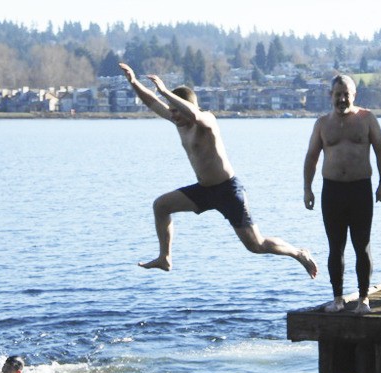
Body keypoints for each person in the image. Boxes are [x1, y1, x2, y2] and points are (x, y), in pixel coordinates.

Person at [119, 63, 317, 278]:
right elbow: (151, 102)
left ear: (188, 107)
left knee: (255, 244)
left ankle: (298, 253)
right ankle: (165, 258)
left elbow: (194, 115)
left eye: (176, 110)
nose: (172, 115)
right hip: (204, 190)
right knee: (161, 206)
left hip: (228, 191)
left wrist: (165, 90)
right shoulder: (180, 122)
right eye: (171, 111)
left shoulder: (206, 120)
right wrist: (133, 82)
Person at [303, 75, 381, 313]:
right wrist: (307, 188)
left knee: (362, 245)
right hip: (332, 190)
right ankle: (338, 298)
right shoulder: (321, 124)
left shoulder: (367, 119)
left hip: (360, 188)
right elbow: (311, 157)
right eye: (337, 94)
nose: (342, 99)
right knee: (335, 247)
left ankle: (363, 298)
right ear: (330, 96)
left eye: (346, 94)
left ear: (354, 95)